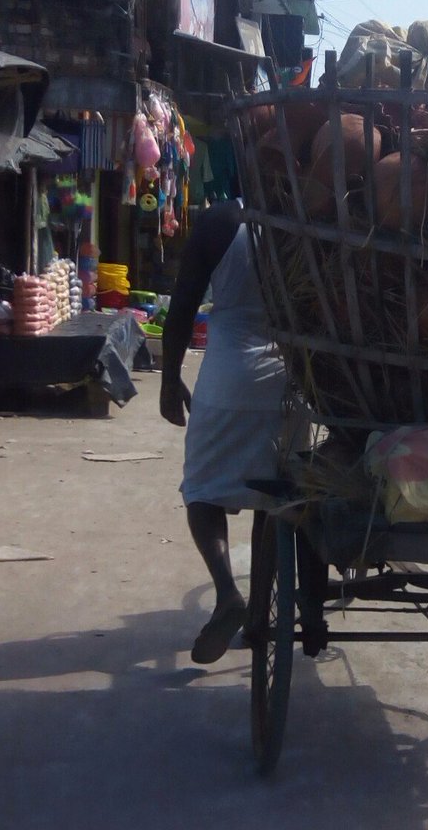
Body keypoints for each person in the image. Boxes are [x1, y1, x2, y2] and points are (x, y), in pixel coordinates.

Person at [160, 199, 288, 664]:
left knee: (201, 490)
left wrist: (169, 379)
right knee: (275, 495)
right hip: (289, 376)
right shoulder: (312, 218)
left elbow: (183, 307)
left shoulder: (220, 220)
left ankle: (228, 592)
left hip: (226, 374)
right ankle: (264, 606)